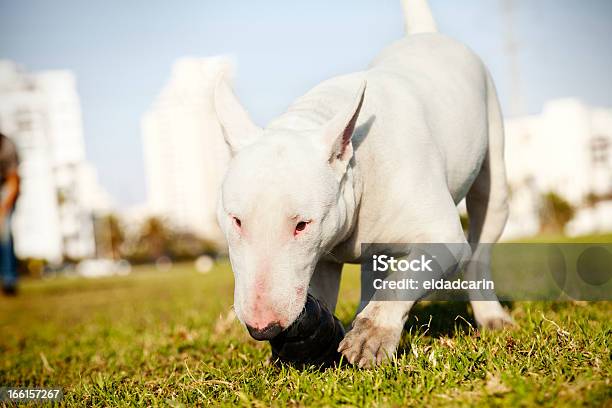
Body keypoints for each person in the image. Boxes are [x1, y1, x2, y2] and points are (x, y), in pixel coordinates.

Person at [0, 132, 20, 295]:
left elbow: (13, 180)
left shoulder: (6, 146)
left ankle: (9, 279)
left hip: (6, 188)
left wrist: (3, 208)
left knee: (4, 233)